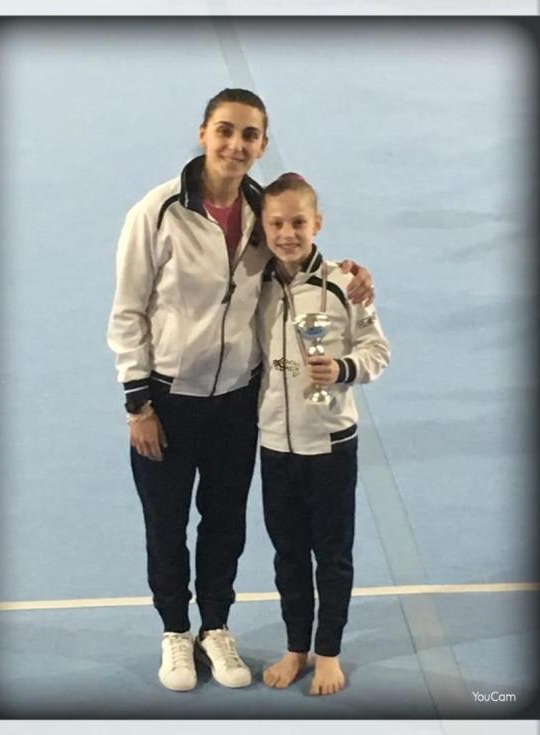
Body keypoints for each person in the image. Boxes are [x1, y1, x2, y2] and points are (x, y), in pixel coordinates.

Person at [107, 89, 375, 693]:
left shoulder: (262, 211)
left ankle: (215, 627)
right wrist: (137, 403)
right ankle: (176, 631)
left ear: (262, 143)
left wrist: (350, 275)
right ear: (203, 133)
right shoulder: (157, 211)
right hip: (167, 399)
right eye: (225, 130)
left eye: (249, 135)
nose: (236, 144)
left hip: (237, 401)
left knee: (225, 522)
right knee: (166, 523)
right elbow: (127, 312)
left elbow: (298, 262)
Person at [257, 173, 390, 695]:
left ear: (317, 223)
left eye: (298, 222)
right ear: (263, 226)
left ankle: (329, 651)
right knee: (287, 554)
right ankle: (297, 647)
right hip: (275, 443)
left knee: (332, 554)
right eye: (276, 224)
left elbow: (377, 351)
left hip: (331, 444)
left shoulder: (344, 284)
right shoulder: (256, 284)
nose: (287, 233)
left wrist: (341, 368)